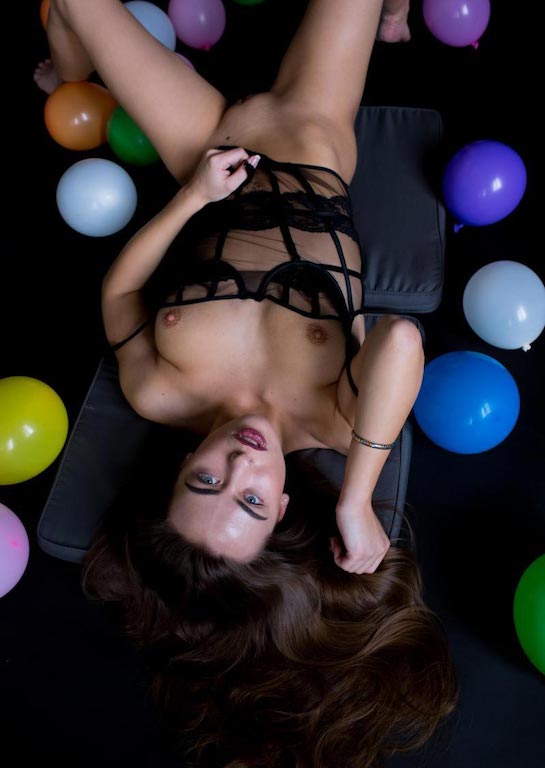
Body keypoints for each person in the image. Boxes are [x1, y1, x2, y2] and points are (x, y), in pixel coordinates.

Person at [37, 1, 459, 765]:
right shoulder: (335, 424)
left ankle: (60, 74)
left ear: (179, 470)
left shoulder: (160, 395)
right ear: (285, 508)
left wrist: (193, 197)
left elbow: (119, 295)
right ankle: (393, 11)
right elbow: (400, 340)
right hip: (308, 136)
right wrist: (357, 501)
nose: (239, 462)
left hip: (207, 151)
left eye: (205, 480)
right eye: (253, 500)